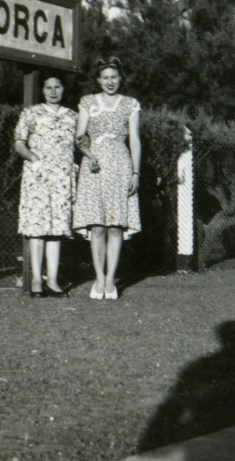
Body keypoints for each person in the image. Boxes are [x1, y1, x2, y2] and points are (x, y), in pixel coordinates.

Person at [73, 57, 141, 300]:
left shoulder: (130, 104)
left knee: (115, 226)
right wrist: (89, 155)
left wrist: (135, 172)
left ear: (120, 79)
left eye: (114, 77)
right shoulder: (88, 102)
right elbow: (80, 136)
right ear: (98, 80)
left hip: (120, 166)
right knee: (97, 226)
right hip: (95, 167)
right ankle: (99, 278)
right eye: (105, 78)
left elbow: (134, 140)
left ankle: (111, 279)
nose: (110, 82)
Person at [14, 75, 77, 298]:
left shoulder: (73, 116)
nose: (53, 91)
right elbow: (19, 143)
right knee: (37, 228)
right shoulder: (31, 113)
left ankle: (52, 281)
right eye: (48, 87)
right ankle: (35, 281)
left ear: (63, 89)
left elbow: (82, 142)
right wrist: (34, 158)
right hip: (38, 175)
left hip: (61, 178)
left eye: (57, 87)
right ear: (42, 90)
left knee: (56, 230)